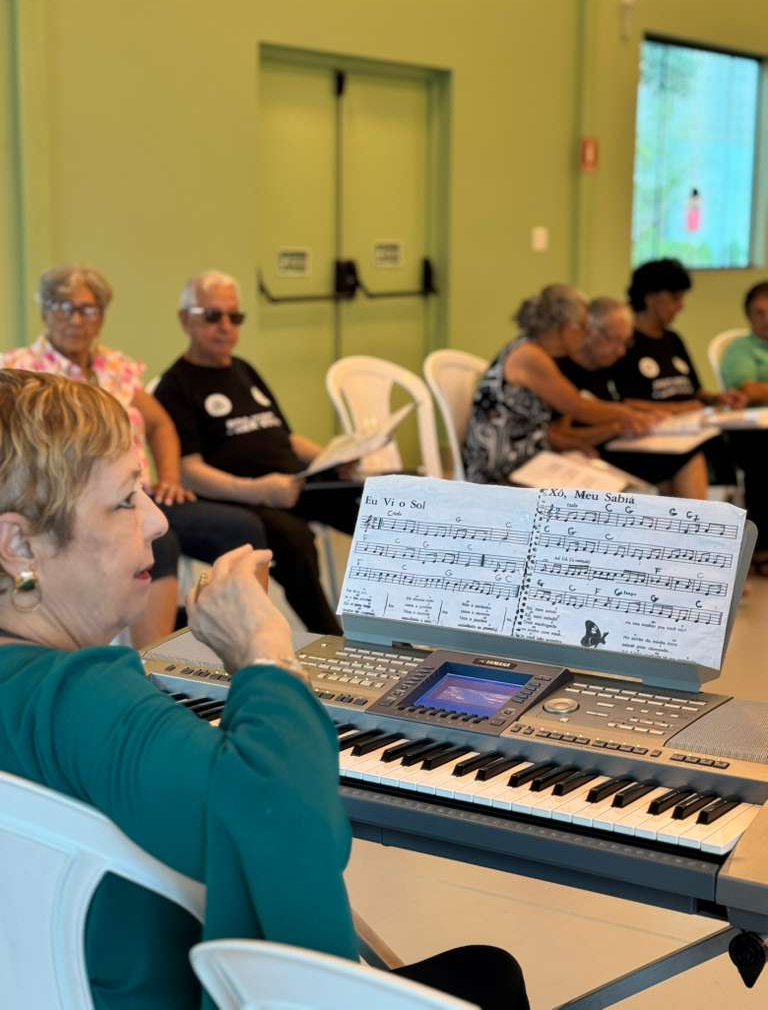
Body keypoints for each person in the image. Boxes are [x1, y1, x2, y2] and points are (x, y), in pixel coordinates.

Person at [0, 369, 530, 1010]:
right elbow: (293, 832)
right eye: (125, 499)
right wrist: (262, 651)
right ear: (19, 544)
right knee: (491, 975)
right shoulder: (79, 699)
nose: (158, 521)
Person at [0, 264, 267, 646]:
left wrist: (170, 478)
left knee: (242, 528)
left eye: (88, 309)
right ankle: (152, 657)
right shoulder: (21, 370)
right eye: (63, 306)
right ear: (45, 312)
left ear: (101, 316)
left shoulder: (116, 368)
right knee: (158, 540)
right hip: (71, 505)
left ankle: (245, 636)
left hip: (136, 492)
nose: (76, 318)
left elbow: (160, 424)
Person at [154, 270, 362, 636]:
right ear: (186, 319)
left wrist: (331, 457)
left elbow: (287, 438)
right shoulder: (174, 386)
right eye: (212, 316)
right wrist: (258, 490)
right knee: (294, 540)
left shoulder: (243, 369)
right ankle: (332, 637)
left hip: (292, 481)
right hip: (241, 496)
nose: (225, 327)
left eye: (234, 317)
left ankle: (387, 623)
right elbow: (190, 471)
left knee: (373, 504)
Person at [462, 284, 657, 485]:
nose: (587, 335)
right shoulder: (530, 355)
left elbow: (539, 427)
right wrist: (626, 414)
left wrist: (575, 443)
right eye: (585, 327)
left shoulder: (537, 351)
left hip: (529, 460)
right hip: (499, 471)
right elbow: (578, 407)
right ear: (568, 328)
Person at [554, 297, 709, 499]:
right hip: (589, 457)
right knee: (682, 459)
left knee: (686, 453)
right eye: (614, 340)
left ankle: (689, 517)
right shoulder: (565, 371)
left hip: (617, 445)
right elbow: (560, 436)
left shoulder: (605, 367)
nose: (621, 351)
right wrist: (616, 426)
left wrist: (643, 417)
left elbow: (622, 406)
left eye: (626, 342)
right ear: (590, 331)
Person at [611, 259, 746, 411]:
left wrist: (718, 398)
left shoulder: (673, 338)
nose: (681, 306)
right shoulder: (622, 343)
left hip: (692, 420)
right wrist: (678, 409)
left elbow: (696, 391)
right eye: (675, 298)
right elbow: (622, 403)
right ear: (651, 298)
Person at [719, 280, 768, 570]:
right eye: (759, 313)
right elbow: (748, 389)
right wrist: (756, 390)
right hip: (749, 432)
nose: (766, 319)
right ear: (749, 316)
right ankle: (761, 547)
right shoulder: (740, 349)